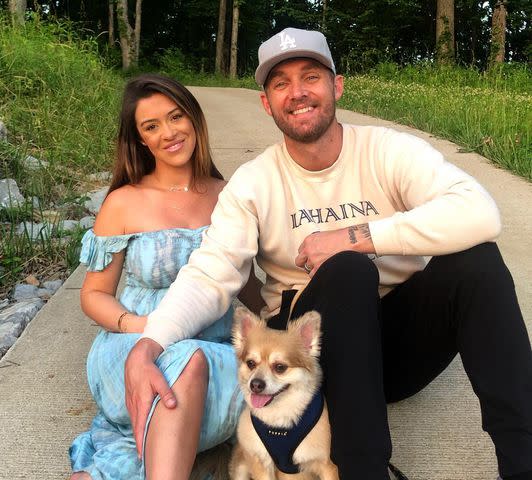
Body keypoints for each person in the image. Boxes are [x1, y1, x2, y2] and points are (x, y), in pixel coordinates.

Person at [124, 29, 532, 480]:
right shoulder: (254, 182)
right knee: (348, 272)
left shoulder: (388, 150)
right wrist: (150, 343)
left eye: (311, 77)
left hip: (399, 348)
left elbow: (481, 213)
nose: (297, 93)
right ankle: (363, 470)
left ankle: (523, 463)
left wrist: (358, 234)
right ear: (266, 103)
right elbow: (210, 273)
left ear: (336, 86)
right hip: (311, 355)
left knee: (478, 264)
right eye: (280, 84)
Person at [68, 73, 264, 480]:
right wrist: (146, 327)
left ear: (194, 119)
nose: (168, 133)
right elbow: (94, 294)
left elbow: (240, 278)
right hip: (133, 343)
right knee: (187, 359)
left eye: (176, 117)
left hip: (211, 344)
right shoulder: (123, 202)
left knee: (201, 359)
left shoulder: (228, 195)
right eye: (151, 126)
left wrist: (290, 311)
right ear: (139, 139)